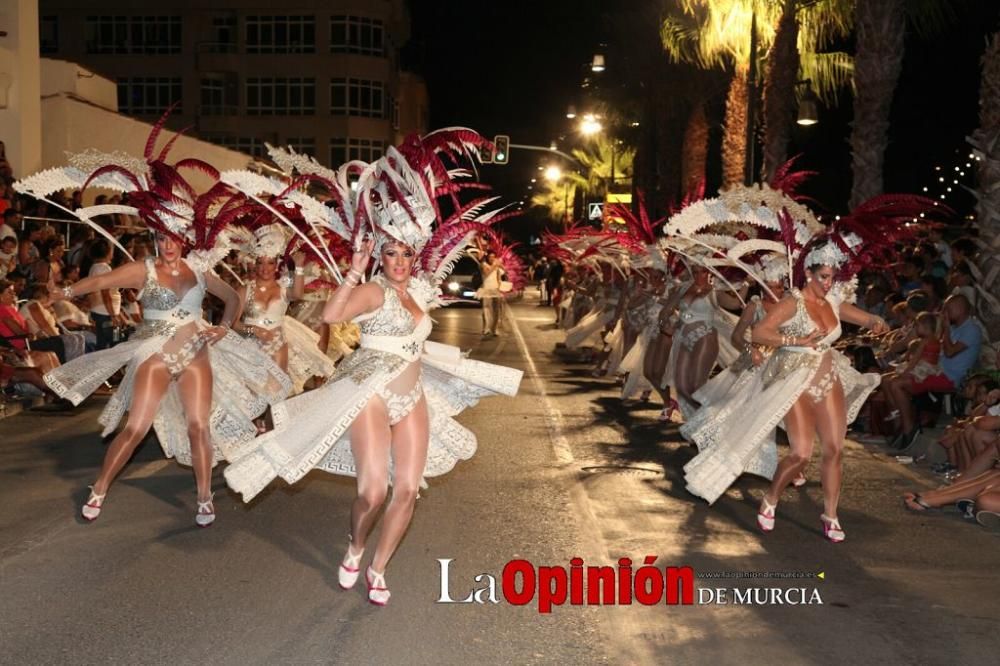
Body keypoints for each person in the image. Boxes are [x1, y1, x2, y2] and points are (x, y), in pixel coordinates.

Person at [223, 131, 522, 606]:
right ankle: (356, 546)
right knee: (373, 492)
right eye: (392, 252)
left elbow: (418, 334)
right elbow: (331, 316)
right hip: (370, 392)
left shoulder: (419, 292)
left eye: (406, 253)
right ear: (380, 254)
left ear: (414, 255)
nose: (400, 261)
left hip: (412, 395)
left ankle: (379, 568)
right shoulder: (373, 290)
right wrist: (354, 272)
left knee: (407, 489)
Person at [47, 231, 291, 525]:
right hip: (156, 352)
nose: (169, 246)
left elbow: (230, 297)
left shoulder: (199, 268)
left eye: (174, 239)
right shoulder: (144, 269)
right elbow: (100, 282)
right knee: (136, 428)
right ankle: (98, 488)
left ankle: (204, 497)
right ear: (155, 240)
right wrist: (63, 293)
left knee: (199, 427)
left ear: (184, 240)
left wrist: (225, 327)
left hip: (196, 353)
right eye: (162, 239)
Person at [749, 238, 888, 542]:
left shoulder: (833, 301)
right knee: (800, 454)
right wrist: (796, 342)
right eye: (823, 277)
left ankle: (830, 514)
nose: (828, 283)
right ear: (808, 274)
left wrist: (875, 320)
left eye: (832, 277)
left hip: (827, 378)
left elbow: (858, 316)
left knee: (835, 450)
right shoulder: (792, 302)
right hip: (796, 380)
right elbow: (759, 333)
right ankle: (771, 497)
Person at [233, 228, 335, 394]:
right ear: (255, 264)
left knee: (275, 393)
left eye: (270, 262)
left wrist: (299, 266)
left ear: (276, 265)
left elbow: (298, 293)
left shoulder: (283, 289)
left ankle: (269, 419)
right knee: (252, 393)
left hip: (276, 343)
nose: (265, 268)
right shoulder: (244, 290)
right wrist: (254, 330)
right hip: (249, 346)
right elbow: (234, 324)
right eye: (261, 262)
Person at [882, 294, 982, 449]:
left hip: (949, 376)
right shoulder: (954, 328)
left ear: (960, 309)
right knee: (886, 380)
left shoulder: (972, 329)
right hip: (935, 371)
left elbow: (949, 352)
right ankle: (899, 426)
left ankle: (908, 428)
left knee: (896, 384)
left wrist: (946, 330)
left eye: (948, 309)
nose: (944, 312)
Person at [85, 239, 125, 350]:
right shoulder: (103, 268)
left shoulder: (95, 267)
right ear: (107, 252)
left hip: (101, 311)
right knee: (115, 342)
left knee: (102, 344)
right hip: (105, 312)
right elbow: (105, 293)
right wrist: (113, 315)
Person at [473, 247, 505, 337]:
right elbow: (487, 273)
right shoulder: (483, 264)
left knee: (497, 311)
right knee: (486, 310)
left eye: (494, 257)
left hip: (495, 290)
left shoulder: (496, 265)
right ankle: (486, 329)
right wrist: (495, 265)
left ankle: (494, 329)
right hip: (486, 289)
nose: (492, 258)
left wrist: (501, 265)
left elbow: (501, 275)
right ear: (487, 257)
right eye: (490, 256)